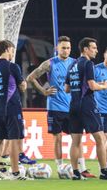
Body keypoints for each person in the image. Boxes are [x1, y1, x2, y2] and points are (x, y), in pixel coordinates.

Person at [27, 36, 93, 178]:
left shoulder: (75, 63)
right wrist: (43, 91)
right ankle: (60, 167)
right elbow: (30, 77)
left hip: (72, 107)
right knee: (57, 138)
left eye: (68, 48)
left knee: (77, 139)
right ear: (57, 48)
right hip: (55, 107)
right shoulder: (49, 63)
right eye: (63, 47)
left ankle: (83, 168)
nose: (66, 50)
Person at [65, 37, 107, 181]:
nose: (96, 50)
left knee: (75, 141)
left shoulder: (72, 65)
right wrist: (104, 86)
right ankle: (104, 172)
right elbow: (92, 86)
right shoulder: (88, 64)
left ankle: (75, 173)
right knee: (101, 138)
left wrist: (93, 84)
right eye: (93, 48)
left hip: (74, 105)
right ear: (86, 49)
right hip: (87, 105)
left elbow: (67, 88)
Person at [0, 40, 28, 180]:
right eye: (12, 49)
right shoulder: (13, 67)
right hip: (11, 108)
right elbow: (22, 86)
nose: (12, 52)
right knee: (14, 140)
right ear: (7, 49)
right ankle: (15, 173)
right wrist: (24, 84)